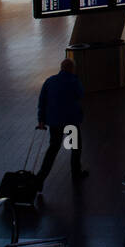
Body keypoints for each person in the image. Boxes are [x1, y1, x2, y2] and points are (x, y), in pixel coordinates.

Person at [35, 59, 88, 189]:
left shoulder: (49, 81)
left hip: (54, 122)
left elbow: (42, 102)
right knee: (75, 147)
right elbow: (81, 94)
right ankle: (76, 173)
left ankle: (40, 179)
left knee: (53, 148)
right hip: (70, 121)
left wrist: (41, 120)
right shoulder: (74, 82)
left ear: (61, 68)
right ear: (72, 69)